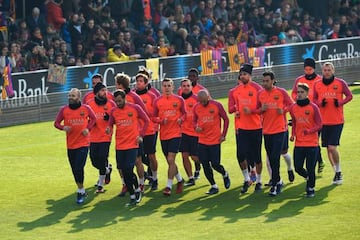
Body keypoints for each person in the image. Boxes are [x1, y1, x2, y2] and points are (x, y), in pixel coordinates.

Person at [106, 89, 150, 206]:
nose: (118, 103)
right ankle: (135, 192)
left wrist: (141, 135)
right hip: (120, 145)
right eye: (116, 101)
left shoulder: (135, 108)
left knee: (128, 169)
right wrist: (109, 129)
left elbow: (146, 120)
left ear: (124, 98)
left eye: (120, 101)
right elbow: (110, 124)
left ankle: (134, 194)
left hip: (132, 144)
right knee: (124, 172)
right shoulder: (114, 111)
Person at [54, 88, 96, 204]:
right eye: (69, 95)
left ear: (78, 97)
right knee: (74, 169)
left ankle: (80, 190)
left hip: (83, 143)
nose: (70, 97)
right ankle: (82, 190)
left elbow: (93, 119)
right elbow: (56, 123)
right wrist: (63, 127)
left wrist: (88, 129)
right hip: (70, 145)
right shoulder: (64, 110)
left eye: (73, 96)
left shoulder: (86, 109)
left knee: (78, 167)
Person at [313, 62, 353, 185]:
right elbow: (314, 99)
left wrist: (340, 103)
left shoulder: (340, 83)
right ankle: (336, 172)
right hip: (323, 122)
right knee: (328, 149)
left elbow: (350, 96)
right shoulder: (317, 84)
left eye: (329, 70)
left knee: (332, 147)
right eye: (325, 70)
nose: (327, 72)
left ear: (333, 71)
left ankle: (339, 170)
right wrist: (320, 103)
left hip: (337, 120)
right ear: (322, 71)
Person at [228, 63, 263, 194]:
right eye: (241, 74)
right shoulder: (235, 91)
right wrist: (236, 110)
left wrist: (253, 111)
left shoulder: (258, 89)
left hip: (256, 127)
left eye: (245, 74)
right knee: (240, 155)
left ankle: (259, 181)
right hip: (242, 128)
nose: (243, 76)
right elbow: (231, 108)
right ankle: (246, 179)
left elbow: (263, 108)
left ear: (250, 75)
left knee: (257, 156)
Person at [258, 71, 293, 196]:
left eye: (267, 81)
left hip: (280, 130)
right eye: (263, 81)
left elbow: (291, 105)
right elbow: (256, 110)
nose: (265, 83)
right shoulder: (260, 94)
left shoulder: (281, 92)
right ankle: (278, 180)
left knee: (275, 157)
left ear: (273, 80)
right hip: (267, 131)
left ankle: (276, 184)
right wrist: (261, 110)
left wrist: (283, 111)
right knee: (272, 158)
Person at [114, 73, 147, 196]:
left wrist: (139, 131)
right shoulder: (117, 99)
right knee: (121, 166)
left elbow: (143, 114)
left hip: (134, 136)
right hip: (122, 139)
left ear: (120, 85)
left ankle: (141, 182)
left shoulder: (134, 97)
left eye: (116, 84)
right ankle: (125, 184)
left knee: (138, 160)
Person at [193, 89, 231, 194]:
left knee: (215, 164)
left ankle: (224, 173)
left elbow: (226, 119)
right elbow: (194, 121)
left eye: (205, 101)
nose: (203, 103)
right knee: (205, 164)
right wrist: (196, 127)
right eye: (201, 101)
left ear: (209, 97)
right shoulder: (196, 107)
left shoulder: (217, 105)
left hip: (215, 140)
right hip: (202, 140)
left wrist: (223, 134)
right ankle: (213, 185)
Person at [291, 58, 325, 173]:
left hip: (315, 115)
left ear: (314, 69)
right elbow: (294, 93)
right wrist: (297, 98)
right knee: (310, 141)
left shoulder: (320, 80)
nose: (308, 71)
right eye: (306, 69)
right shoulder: (299, 80)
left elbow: (322, 94)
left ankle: (316, 163)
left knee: (315, 139)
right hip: (302, 114)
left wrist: (318, 103)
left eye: (310, 69)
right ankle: (318, 162)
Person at [153, 78, 185, 196]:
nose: (167, 88)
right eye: (165, 85)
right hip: (163, 135)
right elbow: (153, 117)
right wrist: (161, 121)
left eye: (169, 85)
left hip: (176, 133)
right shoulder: (157, 101)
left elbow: (185, 113)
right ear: (162, 87)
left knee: (171, 159)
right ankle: (180, 180)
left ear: (173, 87)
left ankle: (168, 186)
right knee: (169, 161)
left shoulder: (179, 100)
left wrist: (181, 119)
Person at [289, 83, 322, 197]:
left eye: (302, 92)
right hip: (299, 143)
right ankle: (309, 177)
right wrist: (293, 134)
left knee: (310, 167)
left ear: (307, 93)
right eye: (298, 92)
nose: (299, 94)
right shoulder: (293, 108)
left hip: (312, 143)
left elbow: (319, 124)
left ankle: (310, 188)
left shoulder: (313, 107)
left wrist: (310, 131)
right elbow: (294, 122)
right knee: (298, 167)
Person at [86, 83, 116, 193]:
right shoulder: (89, 104)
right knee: (94, 161)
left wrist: (110, 119)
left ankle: (100, 185)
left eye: (106, 90)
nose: (105, 92)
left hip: (105, 136)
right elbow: (85, 117)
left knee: (103, 157)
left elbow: (117, 117)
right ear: (97, 92)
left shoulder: (111, 104)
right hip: (93, 137)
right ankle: (107, 170)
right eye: (102, 90)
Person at [134, 73, 159, 191]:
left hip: (149, 130)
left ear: (146, 83)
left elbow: (156, 113)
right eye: (137, 81)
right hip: (136, 132)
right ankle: (143, 180)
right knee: (138, 157)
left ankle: (154, 178)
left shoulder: (152, 96)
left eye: (140, 81)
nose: (138, 83)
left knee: (151, 155)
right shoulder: (132, 96)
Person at [179, 78, 201, 186]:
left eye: (188, 85)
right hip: (182, 132)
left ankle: (202, 164)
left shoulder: (197, 99)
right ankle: (191, 178)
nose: (186, 88)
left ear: (191, 87)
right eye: (184, 86)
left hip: (195, 133)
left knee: (194, 157)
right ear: (181, 88)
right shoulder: (178, 100)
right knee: (184, 155)